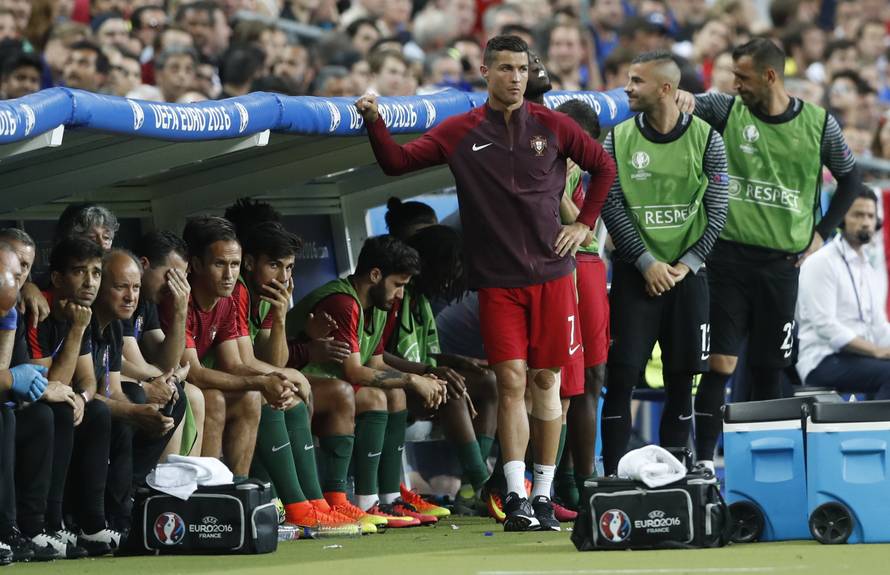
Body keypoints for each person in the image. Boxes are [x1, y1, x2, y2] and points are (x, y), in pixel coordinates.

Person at [356, 34, 616, 531]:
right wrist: (374, 120)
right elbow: (396, 163)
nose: (515, 78)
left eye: (521, 69)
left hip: (554, 277)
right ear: (484, 71)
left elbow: (604, 166)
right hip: (497, 282)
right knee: (511, 382)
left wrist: (584, 223)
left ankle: (543, 493)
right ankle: (515, 494)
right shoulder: (461, 131)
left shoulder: (554, 125)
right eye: (505, 69)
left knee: (547, 383)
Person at [676, 38, 862, 472]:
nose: (734, 83)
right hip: (727, 259)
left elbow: (850, 178)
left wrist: (822, 233)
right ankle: (704, 460)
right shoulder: (726, 109)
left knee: (768, 367)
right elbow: (692, 103)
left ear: (770, 76)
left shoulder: (818, 124)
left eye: (742, 77)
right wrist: (684, 96)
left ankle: (762, 464)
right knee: (720, 362)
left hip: (781, 267)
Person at [600, 51, 729, 475]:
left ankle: (677, 475)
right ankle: (616, 476)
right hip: (637, 278)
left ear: (666, 89)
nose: (628, 87)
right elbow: (611, 204)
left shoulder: (708, 138)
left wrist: (688, 262)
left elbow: (718, 208)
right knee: (620, 379)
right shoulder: (616, 138)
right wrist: (645, 262)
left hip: (687, 278)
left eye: (637, 80)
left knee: (681, 381)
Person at [288, 235, 447, 530]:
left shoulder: (378, 305)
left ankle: (386, 498)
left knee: (395, 394)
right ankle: (350, 500)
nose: (400, 294)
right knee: (371, 395)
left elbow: (375, 362)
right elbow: (355, 372)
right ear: (375, 275)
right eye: (397, 284)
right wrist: (414, 380)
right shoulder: (343, 302)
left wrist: (421, 376)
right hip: (297, 382)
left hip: (326, 386)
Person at [234, 222, 358, 532]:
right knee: (278, 391)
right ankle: (296, 506)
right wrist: (286, 374)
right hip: (218, 382)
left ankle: (315, 503)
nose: (283, 277)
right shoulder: (236, 291)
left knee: (291, 397)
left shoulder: (265, 298)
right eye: (274, 265)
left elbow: (272, 360)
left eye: (289, 267)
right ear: (249, 263)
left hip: (240, 381)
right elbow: (243, 362)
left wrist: (279, 317)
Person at [161, 217, 300, 481]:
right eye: (219, 264)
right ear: (197, 265)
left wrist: (272, 380)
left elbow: (234, 364)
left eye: (234, 264)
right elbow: (195, 374)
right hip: (171, 387)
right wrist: (261, 381)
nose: (229, 275)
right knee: (214, 397)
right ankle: (210, 492)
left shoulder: (226, 300)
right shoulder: (179, 299)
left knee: (250, 396)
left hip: (198, 387)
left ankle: (236, 490)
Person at [26, 238, 119, 555]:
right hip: (28, 404)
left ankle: (92, 525)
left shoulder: (81, 310)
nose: (91, 282)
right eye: (81, 272)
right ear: (57, 278)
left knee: (97, 412)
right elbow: (48, 386)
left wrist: (82, 396)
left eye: (96, 273)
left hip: (57, 400)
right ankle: (50, 523)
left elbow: (88, 380)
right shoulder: (38, 310)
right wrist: (78, 330)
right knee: (59, 411)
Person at [0, 229, 86, 561]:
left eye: (25, 268)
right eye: (16, 265)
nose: (21, 275)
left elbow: (9, 375)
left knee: (41, 415)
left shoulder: (13, 303)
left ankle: (34, 527)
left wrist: (8, 318)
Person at [91, 250, 187, 537]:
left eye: (134, 287)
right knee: (122, 408)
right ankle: (98, 516)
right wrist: (137, 405)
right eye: (121, 287)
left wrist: (144, 401)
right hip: (72, 408)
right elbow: (84, 389)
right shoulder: (84, 320)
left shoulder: (115, 325)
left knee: (170, 396)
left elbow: (112, 387)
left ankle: (130, 496)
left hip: (98, 400)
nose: (131, 296)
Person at [797, 187, 890, 399]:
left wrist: (880, 349)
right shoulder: (822, 261)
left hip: (858, 358)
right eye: (858, 215)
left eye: (870, 215)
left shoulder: (868, 268)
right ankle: (877, 431)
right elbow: (825, 326)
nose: (866, 221)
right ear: (842, 219)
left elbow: (878, 327)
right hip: (822, 360)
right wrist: (876, 351)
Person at [125, 232, 203, 459]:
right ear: (143, 265)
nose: (174, 286)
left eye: (181, 279)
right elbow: (135, 364)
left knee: (193, 395)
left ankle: (190, 482)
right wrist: (172, 376)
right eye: (170, 276)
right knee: (170, 390)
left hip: (139, 379)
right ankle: (162, 483)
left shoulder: (148, 301)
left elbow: (165, 360)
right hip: (117, 383)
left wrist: (181, 310)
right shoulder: (122, 297)